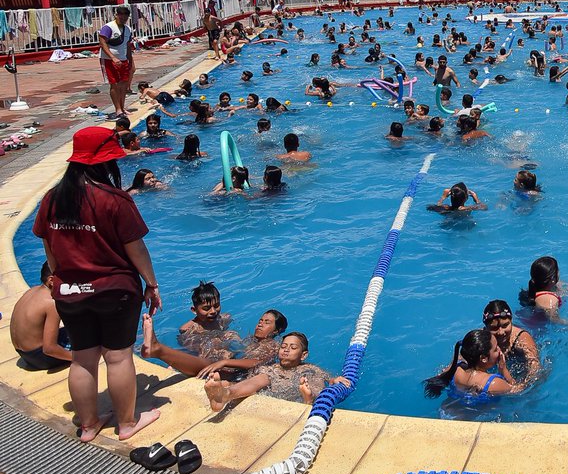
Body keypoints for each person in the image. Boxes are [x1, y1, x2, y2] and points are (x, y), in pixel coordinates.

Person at [32, 126, 161, 441]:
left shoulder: (52, 199)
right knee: (117, 356)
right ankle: (127, 423)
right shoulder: (114, 200)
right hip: (113, 290)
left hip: (70, 290)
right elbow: (136, 249)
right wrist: (152, 284)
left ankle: (88, 425)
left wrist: (64, 279)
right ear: (105, 162)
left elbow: (50, 251)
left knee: (83, 357)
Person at [204, 332, 349, 411]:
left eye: (293, 348)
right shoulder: (271, 369)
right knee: (263, 376)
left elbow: (329, 379)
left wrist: (334, 381)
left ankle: (309, 399)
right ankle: (225, 394)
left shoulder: (310, 368)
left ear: (303, 355)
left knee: (311, 378)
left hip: (299, 386)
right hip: (276, 386)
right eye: (283, 346)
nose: (286, 350)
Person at [141, 309, 286, 379]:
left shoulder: (272, 345)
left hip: (239, 375)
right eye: (260, 320)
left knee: (207, 362)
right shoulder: (253, 340)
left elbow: (257, 362)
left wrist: (223, 362)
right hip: (231, 366)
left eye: (267, 323)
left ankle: (158, 349)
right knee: (214, 341)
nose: (260, 324)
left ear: (276, 331)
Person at [423, 329, 525, 403]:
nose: (499, 350)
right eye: (495, 349)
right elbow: (518, 390)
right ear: (483, 358)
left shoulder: (455, 369)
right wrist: (503, 369)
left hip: (446, 411)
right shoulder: (493, 383)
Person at [10, 262, 72, 370]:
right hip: (41, 358)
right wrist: (76, 358)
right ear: (51, 281)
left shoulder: (31, 291)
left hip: (24, 354)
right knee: (89, 340)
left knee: (76, 328)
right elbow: (49, 349)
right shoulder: (51, 303)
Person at [482, 300, 540, 378]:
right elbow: (463, 362)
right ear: (486, 328)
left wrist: (523, 386)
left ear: (511, 321)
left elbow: (535, 368)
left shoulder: (521, 338)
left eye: (505, 325)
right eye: (494, 328)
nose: (501, 332)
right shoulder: (481, 339)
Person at [98, 5, 135, 119]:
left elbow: (127, 46)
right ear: (116, 15)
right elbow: (102, 43)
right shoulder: (108, 27)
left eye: (125, 15)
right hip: (109, 60)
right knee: (114, 84)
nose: (123, 17)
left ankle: (122, 107)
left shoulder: (128, 29)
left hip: (123, 59)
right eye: (121, 14)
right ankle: (117, 109)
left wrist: (130, 61)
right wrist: (113, 57)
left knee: (123, 84)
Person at [518, 256, 564, 321]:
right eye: (558, 270)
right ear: (552, 279)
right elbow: (554, 319)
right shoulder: (549, 299)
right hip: (536, 329)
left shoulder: (531, 289)